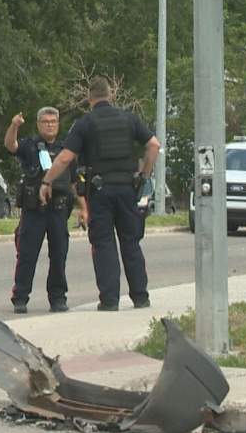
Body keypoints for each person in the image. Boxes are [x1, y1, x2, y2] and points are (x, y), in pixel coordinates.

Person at [40, 78, 160, 311]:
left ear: (90, 97)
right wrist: (144, 175)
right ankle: (141, 297)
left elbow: (65, 157)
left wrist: (47, 181)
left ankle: (110, 300)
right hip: (128, 189)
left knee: (103, 243)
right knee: (131, 242)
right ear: (111, 94)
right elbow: (154, 145)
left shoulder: (85, 123)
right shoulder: (129, 119)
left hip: (100, 191)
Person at [4, 107, 82, 314]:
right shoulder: (30, 146)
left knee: (59, 254)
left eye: (53, 121)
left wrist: (83, 208)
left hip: (58, 209)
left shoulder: (66, 150)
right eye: (45, 121)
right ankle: (20, 297)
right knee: (27, 254)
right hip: (34, 210)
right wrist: (14, 125)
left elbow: (74, 182)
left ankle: (57, 298)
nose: (50, 125)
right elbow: (11, 145)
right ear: (39, 124)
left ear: (58, 124)